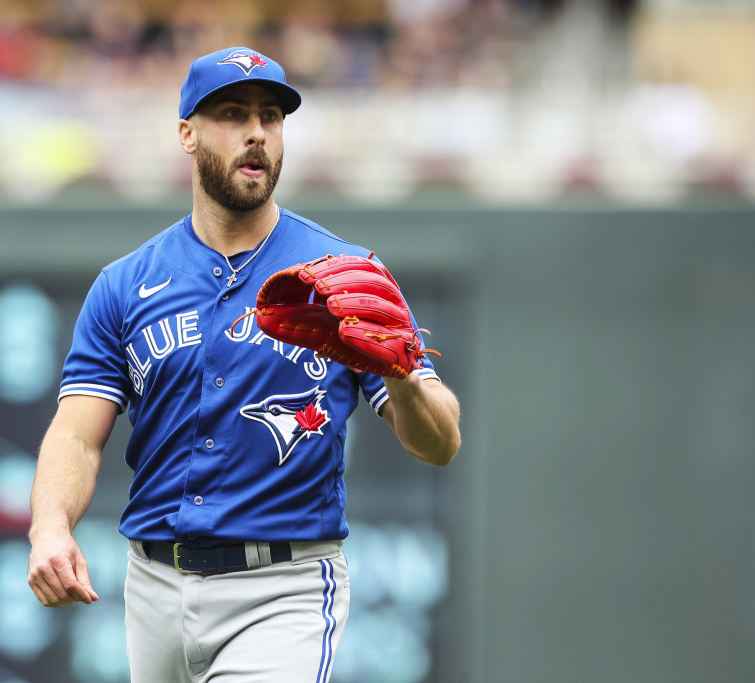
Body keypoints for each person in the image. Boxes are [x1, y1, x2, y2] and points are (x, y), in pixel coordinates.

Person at [27, 46, 461, 682]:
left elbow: (441, 442)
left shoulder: (344, 277)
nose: (257, 132)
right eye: (232, 113)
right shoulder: (125, 285)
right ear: (187, 134)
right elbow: (75, 435)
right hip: (153, 586)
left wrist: (400, 372)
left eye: (271, 116)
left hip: (282, 586)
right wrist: (49, 527)